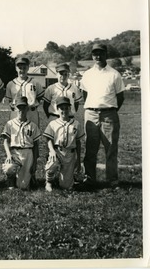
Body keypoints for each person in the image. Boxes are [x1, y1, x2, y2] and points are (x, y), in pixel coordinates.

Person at [80, 43, 125, 189]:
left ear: (106, 54)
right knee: (90, 148)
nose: (97, 56)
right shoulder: (87, 74)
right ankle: (89, 179)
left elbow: (120, 97)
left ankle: (112, 180)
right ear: (92, 56)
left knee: (111, 148)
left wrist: (109, 110)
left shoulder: (114, 74)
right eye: (95, 54)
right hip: (91, 114)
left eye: (100, 53)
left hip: (109, 114)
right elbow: (84, 94)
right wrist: (94, 107)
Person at [43, 97, 85, 192]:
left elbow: (78, 142)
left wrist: (78, 160)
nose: (64, 111)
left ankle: (67, 179)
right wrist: (52, 151)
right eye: (61, 108)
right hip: (58, 151)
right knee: (52, 164)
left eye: (66, 108)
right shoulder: (53, 123)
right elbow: (48, 139)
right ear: (57, 109)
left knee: (66, 186)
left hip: (70, 153)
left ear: (70, 109)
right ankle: (49, 182)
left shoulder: (76, 124)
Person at [1, 96, 41, 190]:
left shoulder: (33, 125)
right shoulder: (10, 124)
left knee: (23, 186)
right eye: (19, 108)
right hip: (15, 152)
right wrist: (8, 155)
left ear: (27, 108)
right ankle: (10, 180)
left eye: (23, 107)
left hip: (28, 152)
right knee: (9, 168)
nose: (21, 110)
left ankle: (28, 178)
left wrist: (34, 162)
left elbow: (36, 145)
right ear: (15, 108)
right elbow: (5, 141)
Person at [5, 56, 44, 127]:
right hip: (16, 112)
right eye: (20, 68)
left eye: (24, 68)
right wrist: (12, 105)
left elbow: (40, 97)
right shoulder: (11, 84)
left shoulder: (35, 82)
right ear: (16, 68)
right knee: (15, 134)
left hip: (31, 112)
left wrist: (34, 104)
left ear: (28, 68)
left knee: (33, 134)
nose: (22, 70)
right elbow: (9, 99)